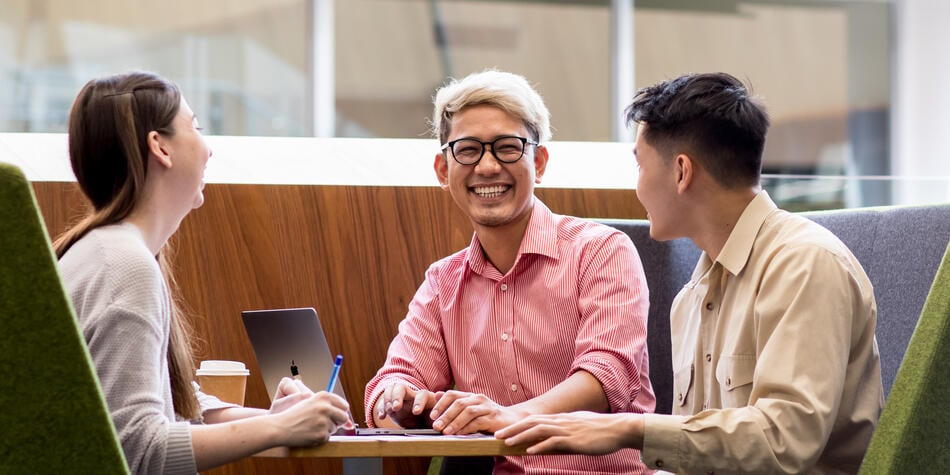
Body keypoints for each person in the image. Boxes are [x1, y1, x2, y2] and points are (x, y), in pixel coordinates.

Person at [496, 72, 884, 474]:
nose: (638, 188)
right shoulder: (692, 295)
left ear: (681, 172)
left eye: (640, 166)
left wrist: (630, 429)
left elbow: (785, 441)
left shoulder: (806, 263)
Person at [55, 71, 353, 474]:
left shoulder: (100, 251)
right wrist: (278, 428)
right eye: (195, 126)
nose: (208, 149)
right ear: (159, 147)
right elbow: (139, 449)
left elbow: (174, 406)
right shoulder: (125, 266)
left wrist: (274, 418)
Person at [363, 69, 654, 474]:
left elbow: (606, 377)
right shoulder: (443, 282)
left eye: (506, 148)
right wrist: (400, 402)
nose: (486, 167)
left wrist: (507, 416)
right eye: (467, 149)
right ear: (443, 171)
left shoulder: (601, 251)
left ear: (539, 161)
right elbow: (387, 388)